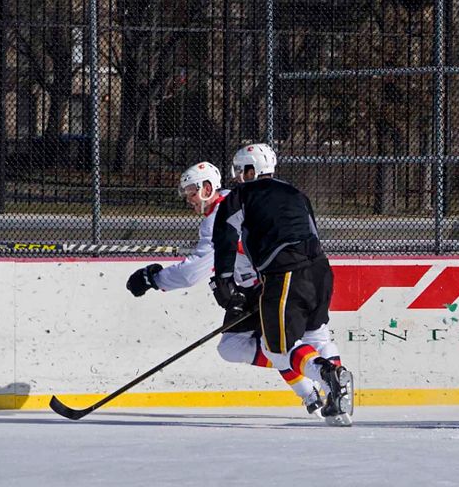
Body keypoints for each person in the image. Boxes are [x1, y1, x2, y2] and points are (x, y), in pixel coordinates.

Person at [127, 160, 345, 421]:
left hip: (264, 286)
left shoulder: (221, 214)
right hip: (303, 272)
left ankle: (312, 390)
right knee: (310, 336)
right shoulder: (243, 198)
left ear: (208, 188)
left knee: (263, 345)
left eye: (191, 192)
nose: (189, 200)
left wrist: (154, 279)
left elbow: (192, 272)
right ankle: (331, 395)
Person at [211, 143, 354, 426]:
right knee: (317, 337)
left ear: (252, 170)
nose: (238, 177)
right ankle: (338, 403)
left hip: (285, 274)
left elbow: (225, 238)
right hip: (321, 269)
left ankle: (327, 373)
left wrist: (225, 282)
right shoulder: (295, 192)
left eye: (241, 171)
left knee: (277, 347)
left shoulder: (240, 195)